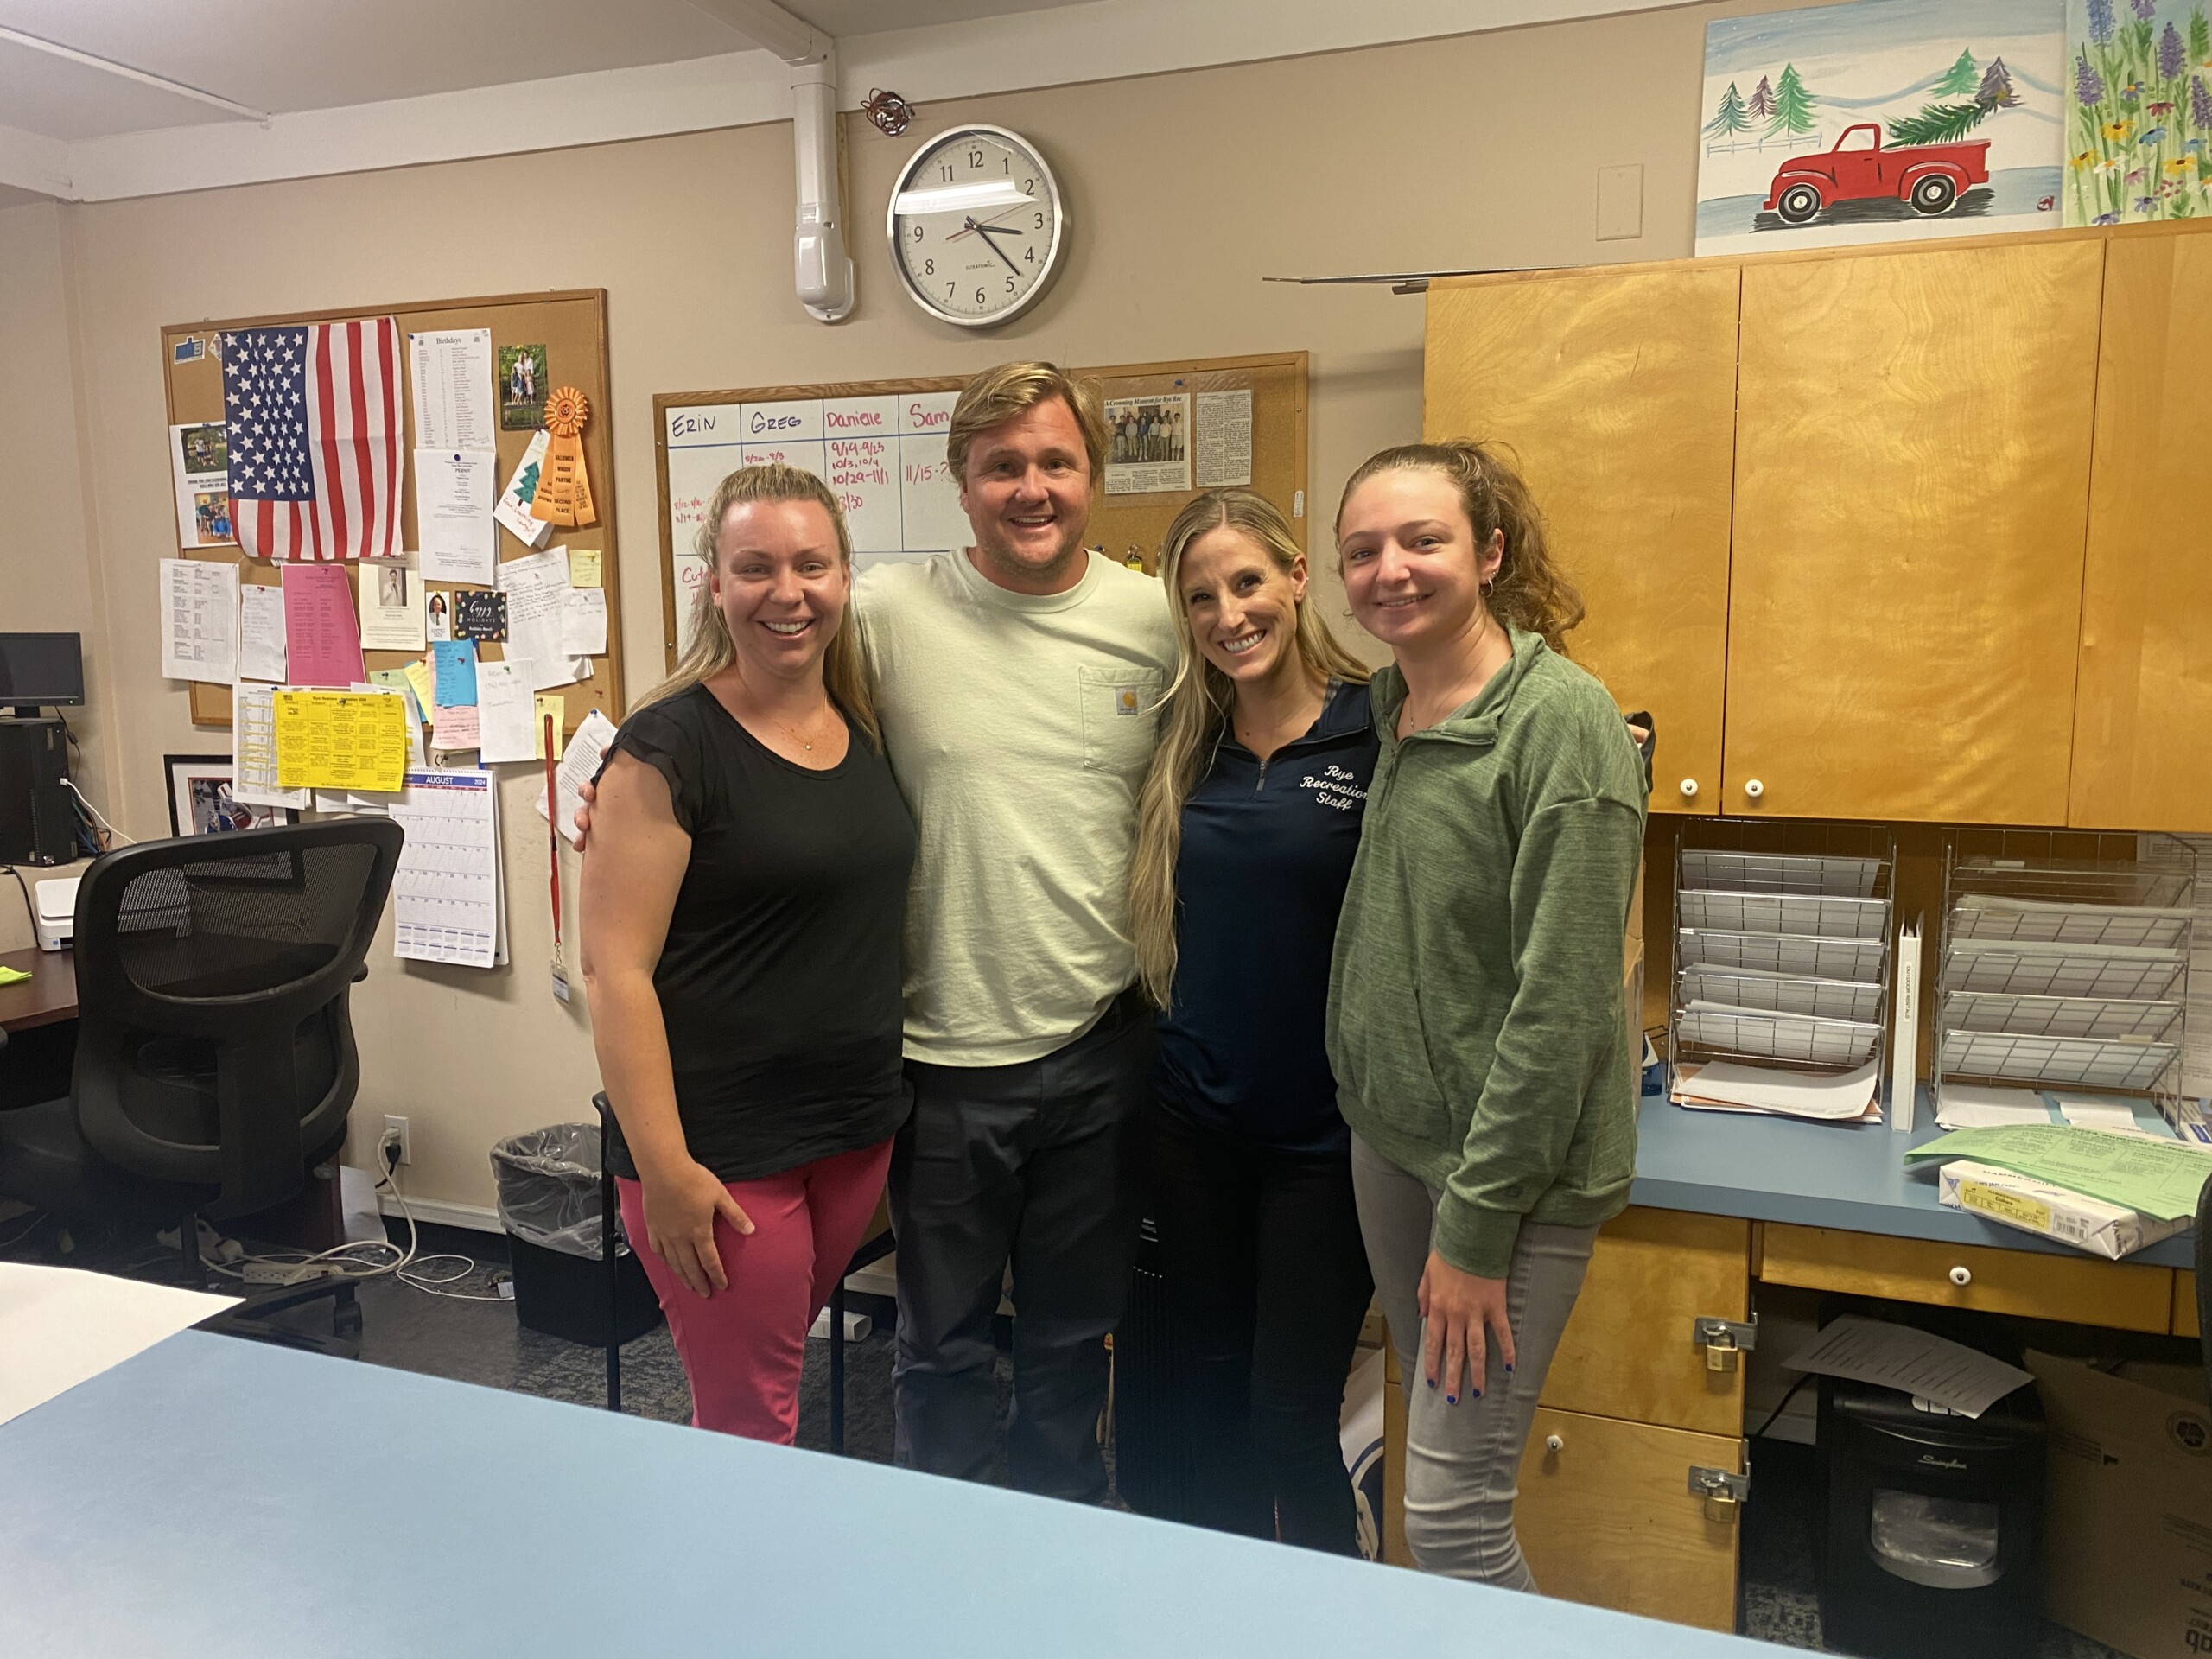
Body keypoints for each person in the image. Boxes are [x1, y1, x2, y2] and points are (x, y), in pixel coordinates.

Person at [576, 365, 1175, 1501]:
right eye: (1002, 465)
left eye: (1055, 462)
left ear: (1095, 474)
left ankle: (1057, 1567)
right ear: (962, 483)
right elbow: (709, 745)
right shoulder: (889, 616)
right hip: (938, 1066)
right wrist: (605, 784)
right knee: (936, 1352)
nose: (1030, 488)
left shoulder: (1152, 622)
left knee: (1066, 1348)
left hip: (1095, 1052)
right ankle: (926, 1574)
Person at [1326, 440, 1646, 1588]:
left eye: (1423, 540)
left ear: (1490, 552)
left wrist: (1477, 1228)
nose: (1390, 570)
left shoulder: (1563, 726)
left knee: (1456, 1521)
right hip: (1394, 1145)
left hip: (1499, 1185)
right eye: (1362, 550)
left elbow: (1561, 1009)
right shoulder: (1395, 705)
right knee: (1433, 1469)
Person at [578, 462, 915, 1445]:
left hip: (852, 1132)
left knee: (763, 1380)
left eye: (812, 565)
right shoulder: (665, 748)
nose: (788, 592)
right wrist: (666, 1166)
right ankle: (729, 1593)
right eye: (755, 567)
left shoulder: (862, 725)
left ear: (846, 580)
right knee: (749, 1423)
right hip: (720, 1153)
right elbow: (613, 971)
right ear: (713, 586)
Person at [1129, 487, 1378, 1553]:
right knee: (1211, 1395)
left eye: (1245, 582)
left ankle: (1333, 1611)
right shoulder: (1184, 748)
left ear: (1294, 577)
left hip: (1326, 1143)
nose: (1229, 613)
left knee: (1290, 1414)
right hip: (1192, 1127)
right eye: (1200, 597)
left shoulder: (1381, 725)